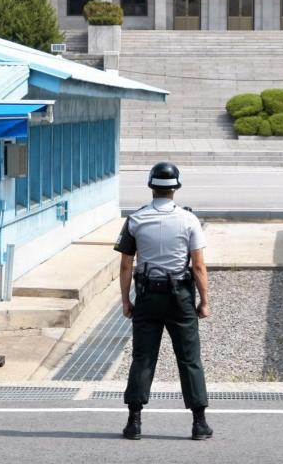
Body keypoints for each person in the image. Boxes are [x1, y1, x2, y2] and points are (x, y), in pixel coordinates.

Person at [114, 161, 212, 441]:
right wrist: (204, 301)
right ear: (176, 188)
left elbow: (125, 266)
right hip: (180, 296)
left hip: (146, 295)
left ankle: (134, 422)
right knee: (189, 358)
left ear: (151, 187)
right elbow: (198, 266)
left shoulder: (135, 219)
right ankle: (199, 423)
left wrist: (125, 300)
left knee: (143, 357)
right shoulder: (189, 220)